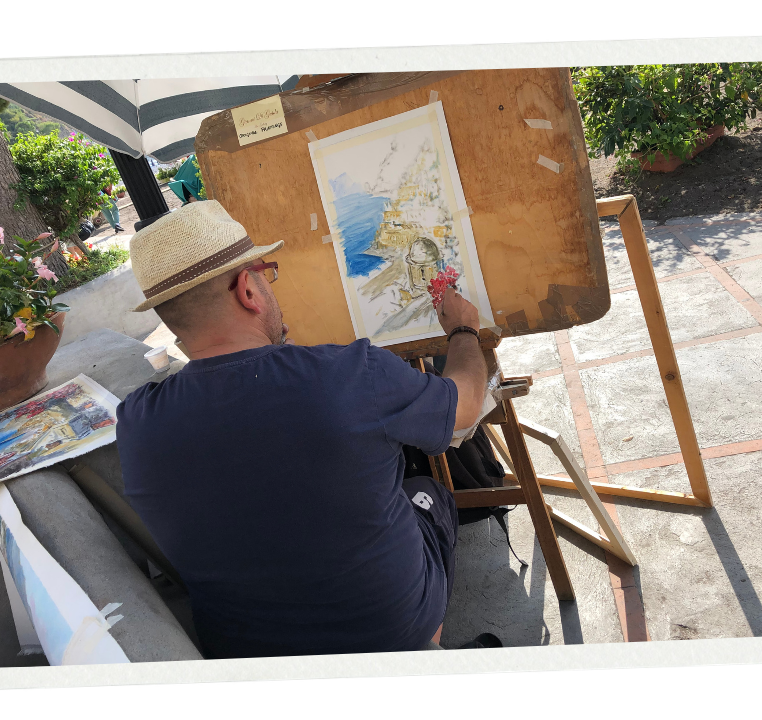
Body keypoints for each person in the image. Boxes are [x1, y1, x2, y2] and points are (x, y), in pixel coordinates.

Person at [115, 200, 490, 658]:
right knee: (430, 494)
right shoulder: (353, 374)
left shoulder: (136, 422)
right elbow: (467, 406)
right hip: (385, 635)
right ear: (247, 291)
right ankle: (428, 639)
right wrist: (464, 332)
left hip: (245, 655)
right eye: (265, 274)